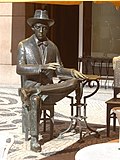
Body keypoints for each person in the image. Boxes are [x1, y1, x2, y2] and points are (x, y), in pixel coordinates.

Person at [16, 9, 87, 152]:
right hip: (31, 86)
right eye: (38, 27)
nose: (41, 30)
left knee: (74, 82)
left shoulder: (53, 47)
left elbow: (59, 70)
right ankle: (35, 139)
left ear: (48, 29)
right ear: (33, 28)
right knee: (35, 99)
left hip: (49, 89)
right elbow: (20, 68)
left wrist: (71, 71)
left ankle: (34, 91)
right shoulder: (23, 45)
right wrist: (42, 67)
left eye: (45, 28)